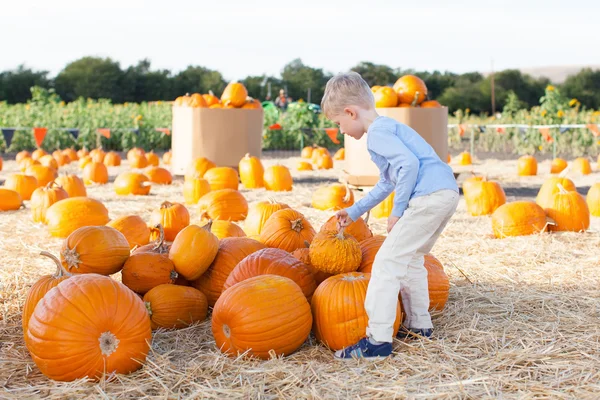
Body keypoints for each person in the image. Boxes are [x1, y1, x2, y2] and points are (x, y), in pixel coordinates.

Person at [320, 72, 459, 360]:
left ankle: (377, 341)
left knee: (385, 263)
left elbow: (408, 165)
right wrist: (355, 210)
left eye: (339, 123)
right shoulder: (389, 128)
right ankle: (420, 325)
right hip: (445, 192)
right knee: (411, 259)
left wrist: (398, 211)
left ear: (351, 112)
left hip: (427, 197)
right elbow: (387, 181)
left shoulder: (378, 135)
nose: (341, 130)